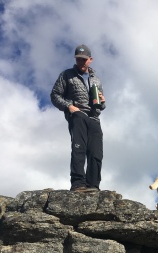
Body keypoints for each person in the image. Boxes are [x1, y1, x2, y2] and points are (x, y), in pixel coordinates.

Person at [50, 44, 106, 192]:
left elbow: (101, 106)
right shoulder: (67, 75)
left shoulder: (96, 80)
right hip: (77, 114)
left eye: (84, 59)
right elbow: (55, 95)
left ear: (90, 60)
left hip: (94, 118)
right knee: (79, 148)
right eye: (78, 59)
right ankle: (78, 184)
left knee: (96, 153)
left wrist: (103, 101)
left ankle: (93, 186)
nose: (81, 62)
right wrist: (69, 106)